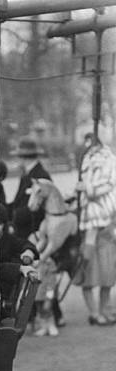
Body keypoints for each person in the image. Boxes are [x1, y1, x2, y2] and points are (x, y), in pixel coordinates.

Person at [75, 137, 116, 325]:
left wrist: (87, 188)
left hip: (103, 224)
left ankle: (103, 310)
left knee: (106, 275)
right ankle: (95, 312)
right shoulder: (86, 157)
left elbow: (108, 184)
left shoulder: (107, 158)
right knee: (88, 274)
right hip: (88, 226)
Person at [10, 137, 51, 239]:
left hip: (33, 232)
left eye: (17, 157)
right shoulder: (26, 175)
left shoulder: (41, 176)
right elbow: (17, 202)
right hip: (21, 228)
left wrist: (14, 217)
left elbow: (40, 209)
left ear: (23, 158)